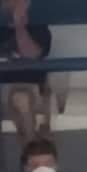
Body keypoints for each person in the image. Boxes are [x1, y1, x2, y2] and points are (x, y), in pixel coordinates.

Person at [0, 0, 49, 145]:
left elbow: (32, 55)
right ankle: (29, 145)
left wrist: (19, 27)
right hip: (3, 86)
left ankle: (30, 145)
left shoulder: (39, 27)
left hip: (31, 85)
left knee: (22, 99)